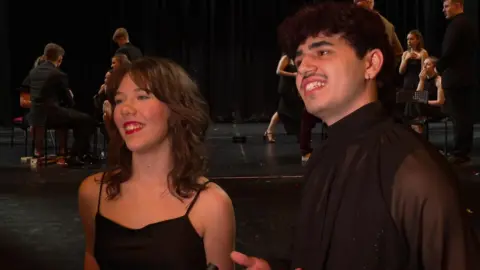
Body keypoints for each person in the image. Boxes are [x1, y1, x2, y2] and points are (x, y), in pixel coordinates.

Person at [231, 2, 480, 269]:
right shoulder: (322, 158)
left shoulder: (414, 172)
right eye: (299, 59)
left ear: (371, 64)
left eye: (322, 51)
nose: (303, 68)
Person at [78, 57, 235, 269]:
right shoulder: (93, 193)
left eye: (142, 96)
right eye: (120, 100)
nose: (125, 109)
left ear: (175, 108)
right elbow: (92, 259)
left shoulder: (212, 205)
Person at [22, 43, 96, 166]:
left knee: (75, 118)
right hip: (52, 116)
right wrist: (70, 98)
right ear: (60, 59)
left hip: (35, 117)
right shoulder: (58, 74)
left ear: (45, 56)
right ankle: (76, 155)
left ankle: (74, 153)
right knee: (86, 120)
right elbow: (68, 101)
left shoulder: (33, 72)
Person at [436, 0, 478, 165]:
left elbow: (449, 52)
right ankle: (463, 150)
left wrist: (437, 68)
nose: (443, 10)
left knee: (459, 117)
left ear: (458, 5)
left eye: (446, 6)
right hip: (466, 77)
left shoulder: (457, 25)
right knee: (464, 116)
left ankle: (459, 152)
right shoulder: (468, 23)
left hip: (457, 79)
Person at [264, 54, 301, 143]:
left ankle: (269, 131)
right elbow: (278, 71)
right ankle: (269, 131)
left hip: (293, 88)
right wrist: (293, 74)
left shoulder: (297, 59)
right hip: (286, 88)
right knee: (283, 110)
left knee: (285, 110)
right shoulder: (286, 58)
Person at [410, 56, 447, 134]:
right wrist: (421, 81)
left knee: (417, 103)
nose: (424, 67)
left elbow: (440, 101)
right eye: (424, 64)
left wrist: (426, 102)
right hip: (423, 107)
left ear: (434, 67)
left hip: (436, 109)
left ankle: (416, 125)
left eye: (427, 64)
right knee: (411, 100)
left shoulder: (438, 80)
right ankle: (416, 123)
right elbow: (417, 96)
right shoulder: (423, 79)